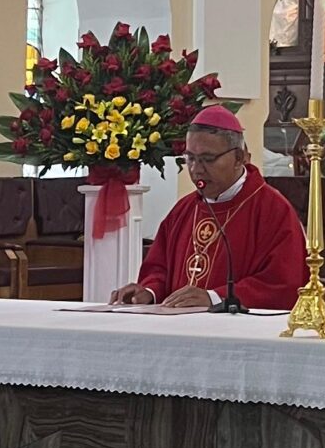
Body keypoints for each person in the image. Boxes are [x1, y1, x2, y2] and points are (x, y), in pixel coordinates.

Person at [109, 107, 306, 312]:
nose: (196, 169)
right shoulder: (184, 210)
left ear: (239, 158)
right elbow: (159, 269)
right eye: (190, 158)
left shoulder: (272, 210)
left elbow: (283, 284)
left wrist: (214, 298)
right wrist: (149, 292)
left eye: (208, 159)